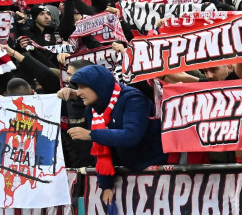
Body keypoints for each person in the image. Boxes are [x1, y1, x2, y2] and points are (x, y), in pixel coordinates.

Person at [64, 65, 167, 204]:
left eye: (83, 87)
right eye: (77, 87)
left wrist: (91, 135)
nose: (79, 92)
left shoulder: (133, 99)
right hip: (129, 173)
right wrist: (106, 185)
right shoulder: (92, 109)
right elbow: (99, 150)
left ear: (98, 85)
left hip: (159, 170)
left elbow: (131, 136)